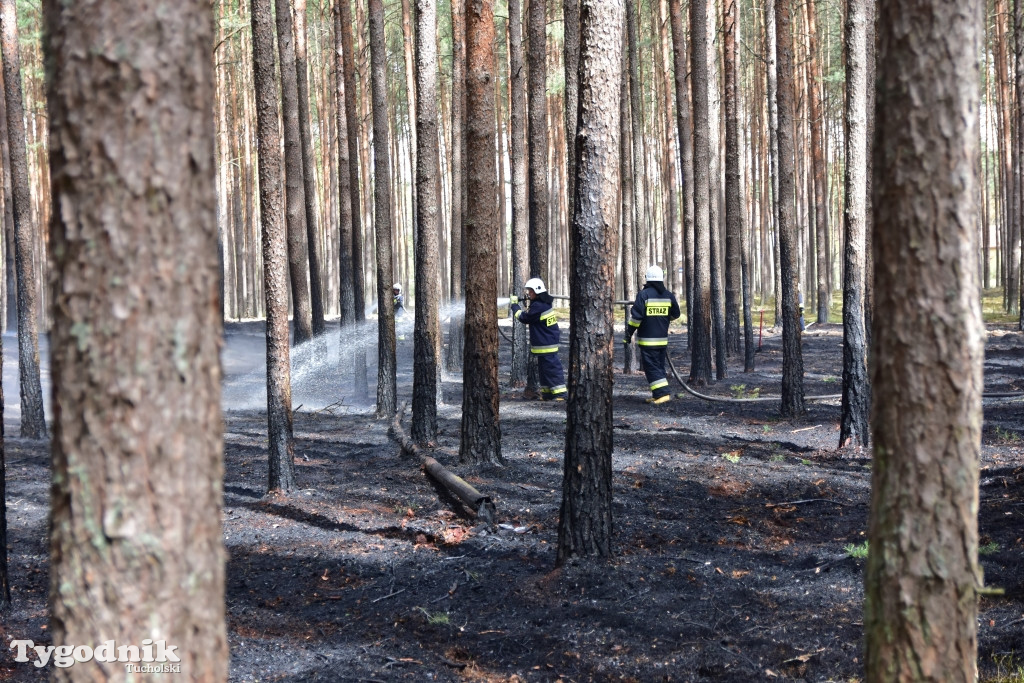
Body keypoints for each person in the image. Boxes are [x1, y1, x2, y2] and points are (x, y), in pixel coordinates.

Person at [623, 265, 680, 404]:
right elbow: (676, 314)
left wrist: (628, 335)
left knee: (651, 368)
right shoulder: (668, 295)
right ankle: (657, 394)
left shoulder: (644, 295)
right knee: (658, 366)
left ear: (647, 279)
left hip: (648, 341)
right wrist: (663, 319)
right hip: (662, 340)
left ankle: (662, 394)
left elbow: (636, 319)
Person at [510, 277, 566, 401]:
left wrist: (515, 307)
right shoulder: (541, 304)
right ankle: (548, 393)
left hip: (547, 343)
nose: (529, 294)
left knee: (552, 369)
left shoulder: (539, 307)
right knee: (544, 370)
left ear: (537, 291)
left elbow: (525, 318)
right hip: (545, 341)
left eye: (530, 291)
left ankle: (560, 394)